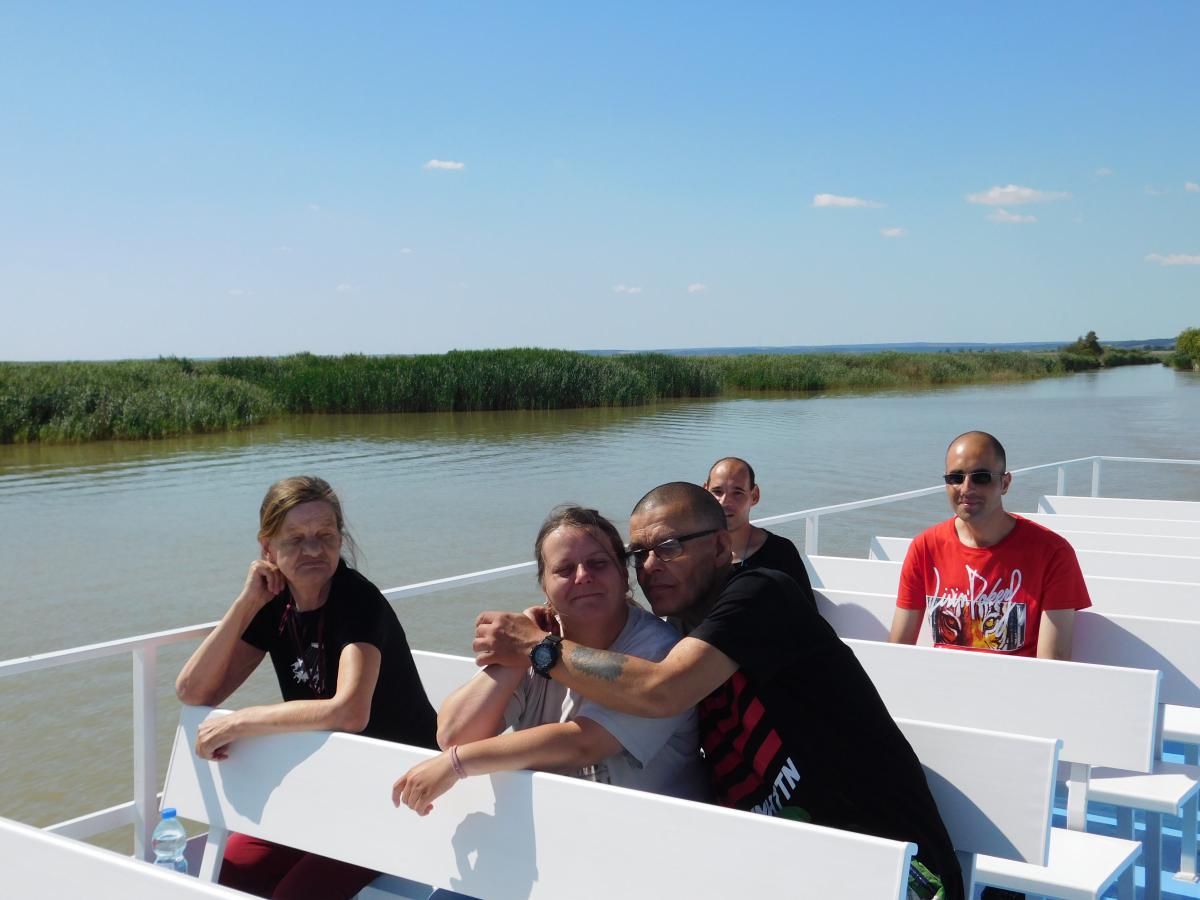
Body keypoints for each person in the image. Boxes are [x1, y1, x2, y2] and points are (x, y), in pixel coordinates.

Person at [473, 484, 962, 900]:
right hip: (775, 867)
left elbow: (661, 690)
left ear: (721, 548)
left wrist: (537, 647)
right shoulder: (676, 639)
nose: (650, 566)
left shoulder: (761, 595)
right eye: (638, 554)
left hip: (894, 869)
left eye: (668, 547)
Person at [176, 475, 437, 900]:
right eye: (295, 539)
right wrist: (246, 602)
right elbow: (193, 691)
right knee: (225, 876)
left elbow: (350, 711)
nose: (313, 549)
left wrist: (241, 721)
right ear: (267, 547)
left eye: (325, 536)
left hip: (396, 793)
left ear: (340, 538)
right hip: (327, 784)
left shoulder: (358, 600)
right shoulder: (273, 604)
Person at [392, 505, 708, 817]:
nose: (583, 577)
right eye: (564, 570)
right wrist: (518, 654)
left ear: (624, 575)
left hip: (659, 832)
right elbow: (454, 735)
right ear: (545, 587)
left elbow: (584, 744)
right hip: (565, 828)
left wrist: (457, 764)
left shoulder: (658, 651)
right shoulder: (532, 644)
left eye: (598, 563)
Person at [888, 431, 1092, 659]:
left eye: (981, 477)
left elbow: (1052, 663)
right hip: (941, 678)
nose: (966, 488)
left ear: (1005, 483)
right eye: (955, 477)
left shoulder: (1053, 553)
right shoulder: (925, 548)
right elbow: (898, 650)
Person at [704, 456, 816, 606]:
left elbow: (805, 614)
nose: (724, 502)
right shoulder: (694, 552)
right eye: (717, 491)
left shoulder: (781, 552)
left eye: (737, 493)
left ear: (754, 496)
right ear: (705, 492)